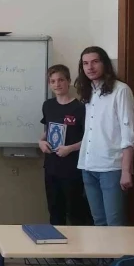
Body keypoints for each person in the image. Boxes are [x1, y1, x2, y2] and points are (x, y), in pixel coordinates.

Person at [75, 46, 134, 226]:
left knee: (114, 223)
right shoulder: (88, 91)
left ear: (104, 64)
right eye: (85, 63)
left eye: (95, 62)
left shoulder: (121, 90)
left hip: (111, 166)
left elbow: (129, 134)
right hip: (88, 165)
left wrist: (126, 171)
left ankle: (119, 249)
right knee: (99, 222)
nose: (90, 67)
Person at [38, 65, 93, 226]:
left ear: (69, 81)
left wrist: (70, 148)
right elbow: (47, 130)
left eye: (61, 80)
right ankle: (56, 242)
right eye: (52, 81)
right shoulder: (48, 105)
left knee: (75, 212)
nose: (57, 84)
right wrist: (41, 142)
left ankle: (77, 242)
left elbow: (90, 139)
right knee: (55, 211)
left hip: (72, 168)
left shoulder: (81, 108)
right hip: (51, 166)